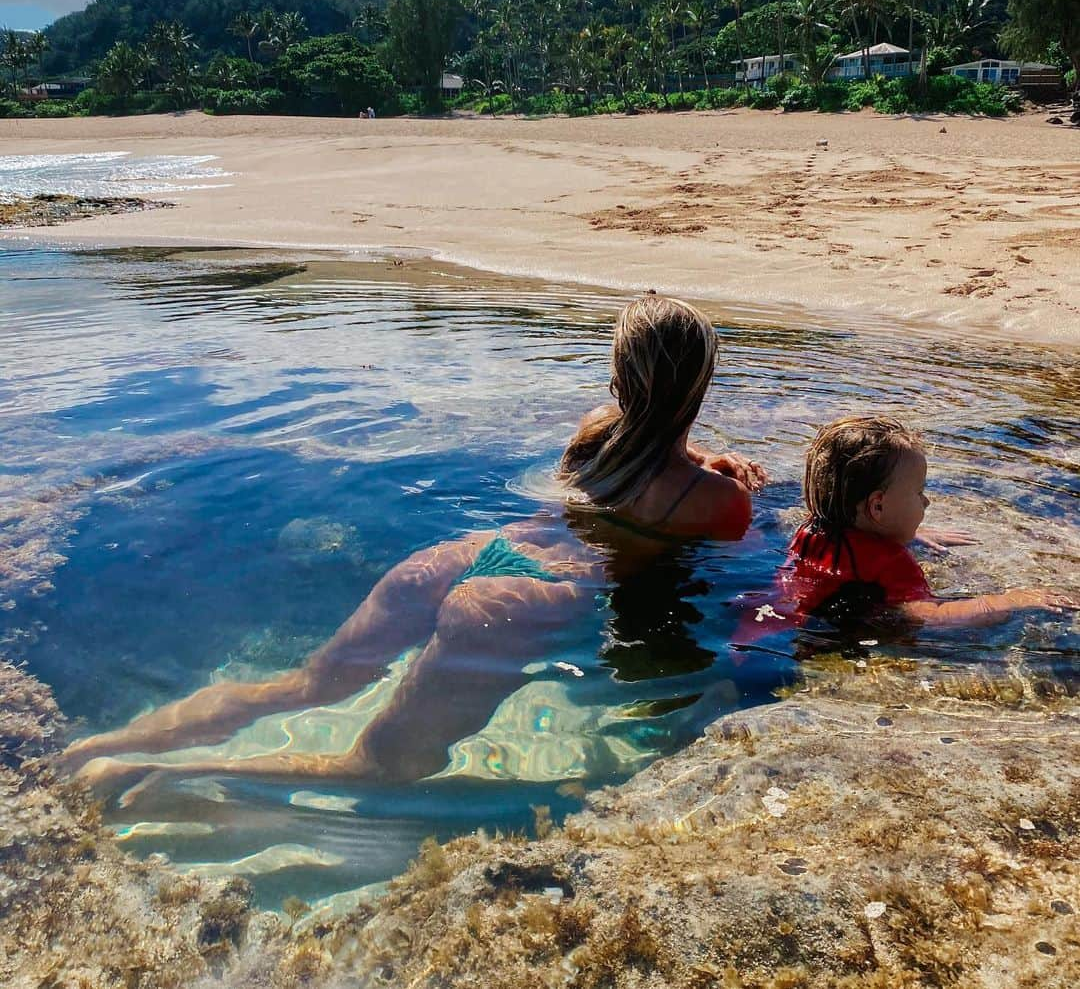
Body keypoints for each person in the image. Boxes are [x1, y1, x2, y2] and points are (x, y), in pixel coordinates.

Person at [64, 296, 766, 796]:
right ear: (700, 384)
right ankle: (175, 778)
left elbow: (648, 443)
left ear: (619, 377)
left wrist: (705, 460)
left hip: (467, 554)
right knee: (384, 765)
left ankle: (106, 746)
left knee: (304, 685)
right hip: (528, 600)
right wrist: (732, 481)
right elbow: (720, 559)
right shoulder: (718, 500)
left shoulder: (593, 429)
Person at [768, 416, 1074, 635]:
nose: (925, 502)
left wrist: (905, 530)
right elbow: (933, 617)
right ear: (878, 507)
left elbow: (856, 550)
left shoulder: (811, 530)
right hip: (840, 637)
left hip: (790, 625)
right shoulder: (892, 563)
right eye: (919, 493)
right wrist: (1010, 600)